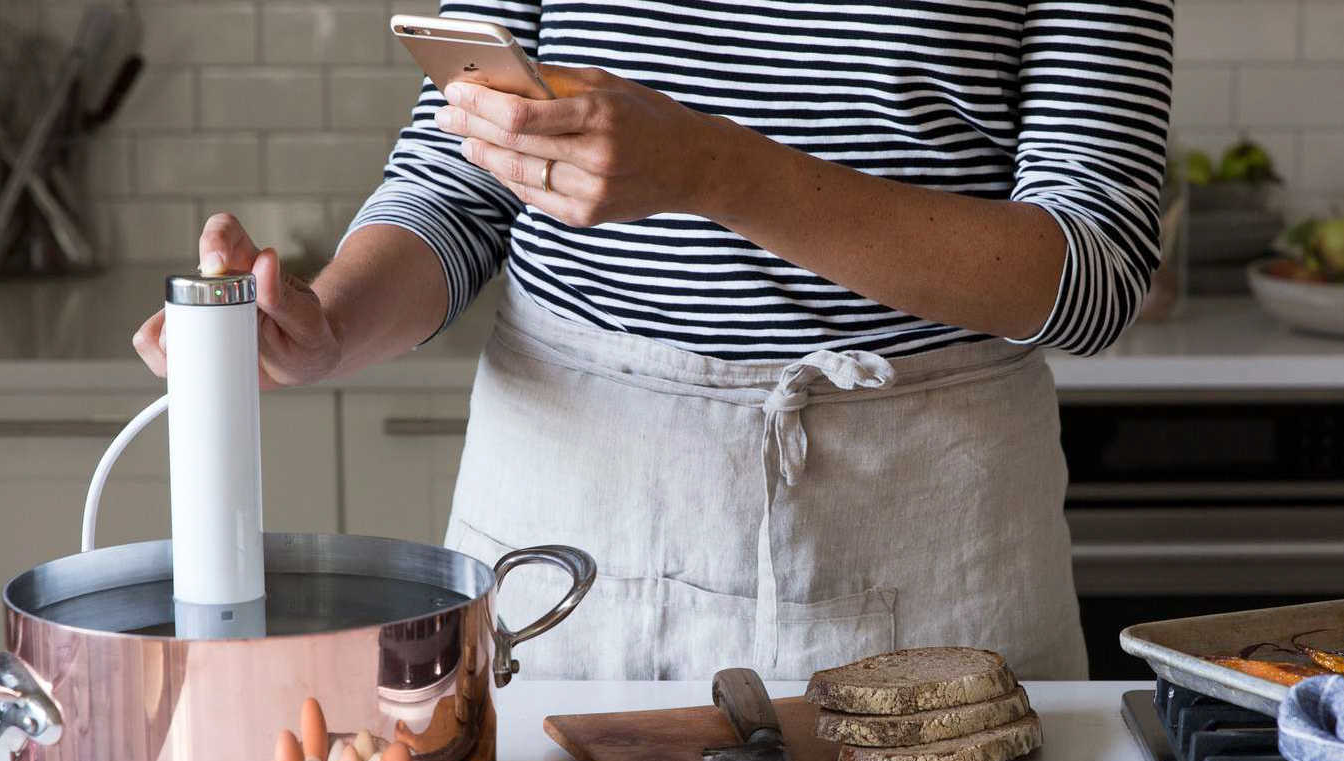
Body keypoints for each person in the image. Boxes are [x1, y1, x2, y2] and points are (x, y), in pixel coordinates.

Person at [135, 0, 1175, 680]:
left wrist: (721, 173)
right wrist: (328, 329)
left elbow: (1094, 272)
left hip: (921, 515)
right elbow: (457, 179)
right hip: (572, 507)